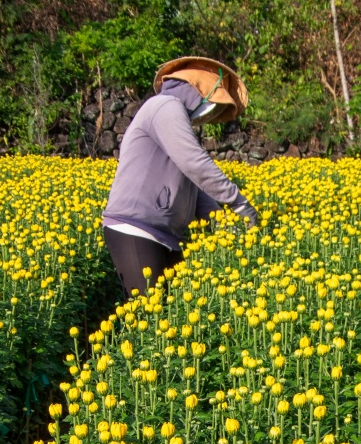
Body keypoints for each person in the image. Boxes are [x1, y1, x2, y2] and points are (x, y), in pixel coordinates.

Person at [102, 56, 259, 295]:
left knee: (173, 310)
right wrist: (239, 203)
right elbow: (195, 163)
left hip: (166, 235)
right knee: (149, 312)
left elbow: (193, 186)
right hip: (136, 228)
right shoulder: (165, 107)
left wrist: (225, 226)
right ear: (198, 90)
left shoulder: (176, 116)